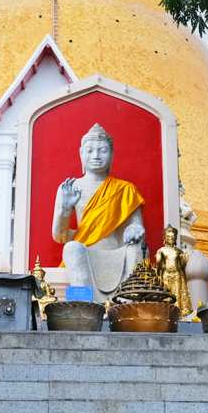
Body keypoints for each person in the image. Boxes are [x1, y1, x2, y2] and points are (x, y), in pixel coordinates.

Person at [51, 123, 145, 298]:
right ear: (81, 154)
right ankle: (85, 305)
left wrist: (135, 230)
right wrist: (64, 210)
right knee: (71, 248)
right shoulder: (70, 188)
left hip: (117, 252)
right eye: (90, 150)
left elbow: (138, 229)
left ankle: (126, 302)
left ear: (112, 155)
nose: (96, 156)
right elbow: (59, 236)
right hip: (85, 252)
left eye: (102, 150)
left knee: (135, 249)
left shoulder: (125, 189)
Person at [153, 224, 193, 318]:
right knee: (166, 293)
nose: (171, 239)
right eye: (169, 237)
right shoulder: (161, 250)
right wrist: (159, 259)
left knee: (177, 293)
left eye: (173, 237)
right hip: (166, 274)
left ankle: (178, 311)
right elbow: (158, 263)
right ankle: (166, 311)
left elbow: (181, 265)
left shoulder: (178, 251)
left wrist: (184, 258)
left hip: (177, 274)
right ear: (165, 238)